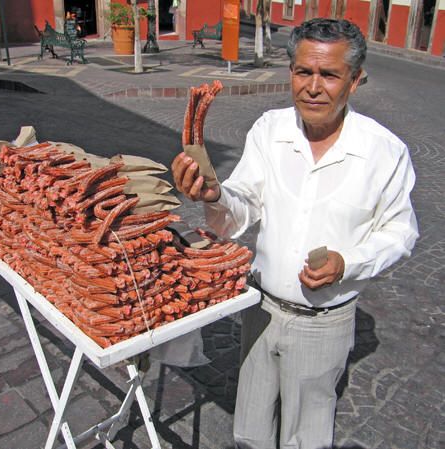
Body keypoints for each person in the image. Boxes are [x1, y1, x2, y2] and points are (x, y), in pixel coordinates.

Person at [171, 18, 418, 449]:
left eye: (329, 74)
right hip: (260, 311)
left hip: (325, 323)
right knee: (249, 430)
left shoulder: (384, 152)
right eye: (304, 72)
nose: (313, 87)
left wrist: (350, 263)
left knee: (306, 438)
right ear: (291, 72)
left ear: (355, 81)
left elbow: (400, 231)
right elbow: (243, 205)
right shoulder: (271, 130)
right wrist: (214, 194)